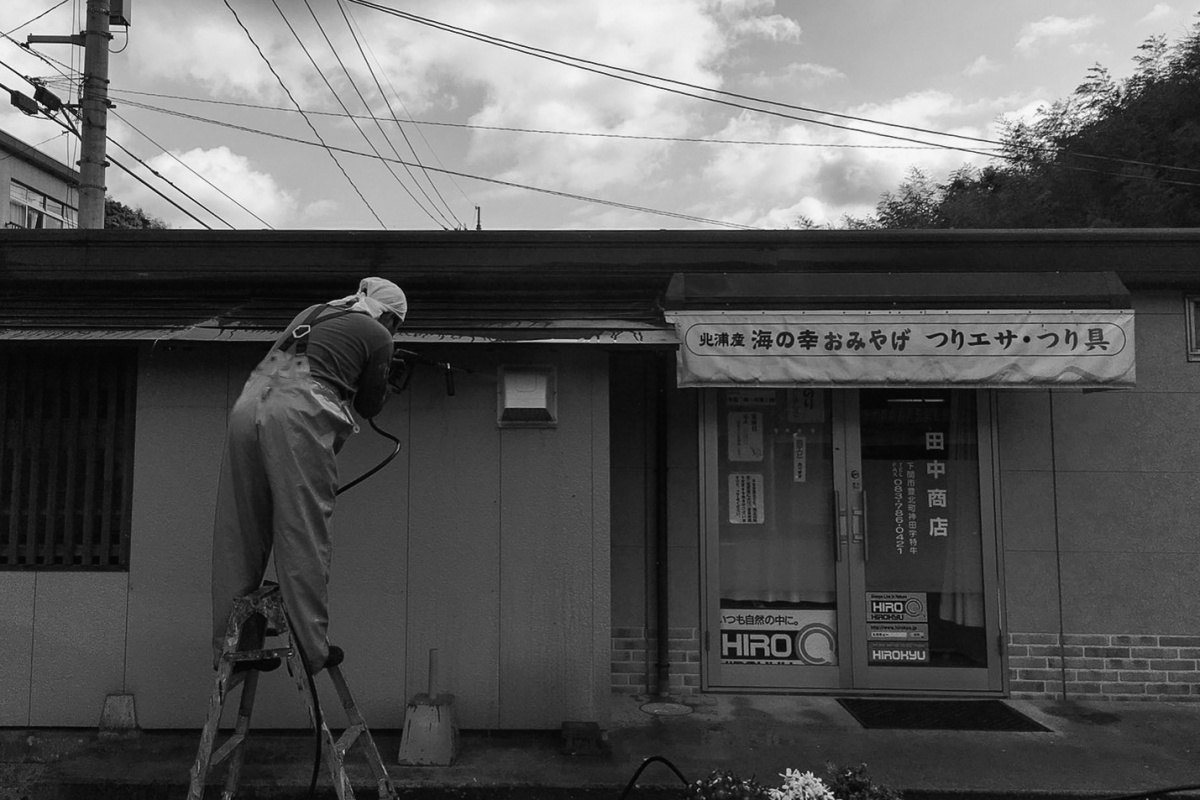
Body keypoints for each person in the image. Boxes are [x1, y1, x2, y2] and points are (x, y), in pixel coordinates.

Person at [211, 277, 407, 674]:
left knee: (241, 529)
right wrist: (386, 382)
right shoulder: (378, 334)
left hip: (249, 404)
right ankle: (310, 647)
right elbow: (369, 405)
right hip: (296, 411)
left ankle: (236, 651)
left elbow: (303, 364)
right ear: (388, 314)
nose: (393, 331)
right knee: (302, 526)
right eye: (396, 324)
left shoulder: (312, 313)